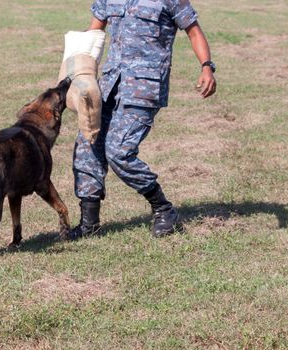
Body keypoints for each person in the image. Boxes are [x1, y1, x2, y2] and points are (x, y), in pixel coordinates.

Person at [69, 0, 217, 239]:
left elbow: (194, 31)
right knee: (87, 143)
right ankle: (89, 224)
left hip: (143, 89)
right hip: (108, 86)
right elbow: (94, 31)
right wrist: (76, 71)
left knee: (119, 151)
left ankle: (163, 208)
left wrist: (207, 67)